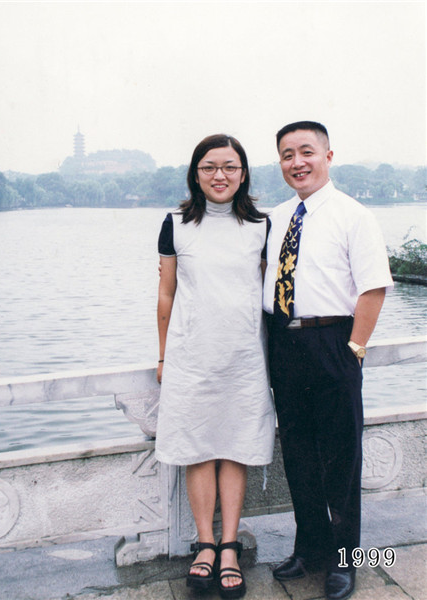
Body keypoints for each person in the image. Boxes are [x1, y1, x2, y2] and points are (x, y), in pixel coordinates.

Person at [263, 121, 394, 600]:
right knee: (297, 455)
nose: (296, 163)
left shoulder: (352, 214)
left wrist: (355, 350)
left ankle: (346, 559)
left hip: (333, 342)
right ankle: (311, 547)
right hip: (283, 345)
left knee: (340, 458)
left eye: (305, 152)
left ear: (327, 155)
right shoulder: (276, 217)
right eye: (286, 155)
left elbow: (373, 288)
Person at [155, 134, 276, 599]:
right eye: (209, 167)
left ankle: (230, 547)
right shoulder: (175, 224)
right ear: (195, 173)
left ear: (243, 173)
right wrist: (164, 354)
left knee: (237, 445)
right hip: (191, 356)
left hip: (245, 358)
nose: (219, 175)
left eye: (229, 166)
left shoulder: (261, 226)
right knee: (199, 446)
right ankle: (205, 544)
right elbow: (166, 293)